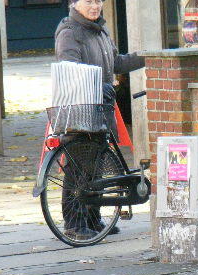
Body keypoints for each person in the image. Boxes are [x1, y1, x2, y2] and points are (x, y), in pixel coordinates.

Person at [54, 0, 146, 240]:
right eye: (89, 1)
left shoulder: (101, 30)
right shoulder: (70, 32)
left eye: (98, 1)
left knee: (96, 165)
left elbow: (116, 63)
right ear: (74, 4)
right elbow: (70, 70)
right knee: (79, 169)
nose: (95, 6)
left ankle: (93, 219)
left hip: (102, 106)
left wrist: (145, 58)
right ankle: (74, 223)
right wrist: (100, 85)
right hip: (81, 109)